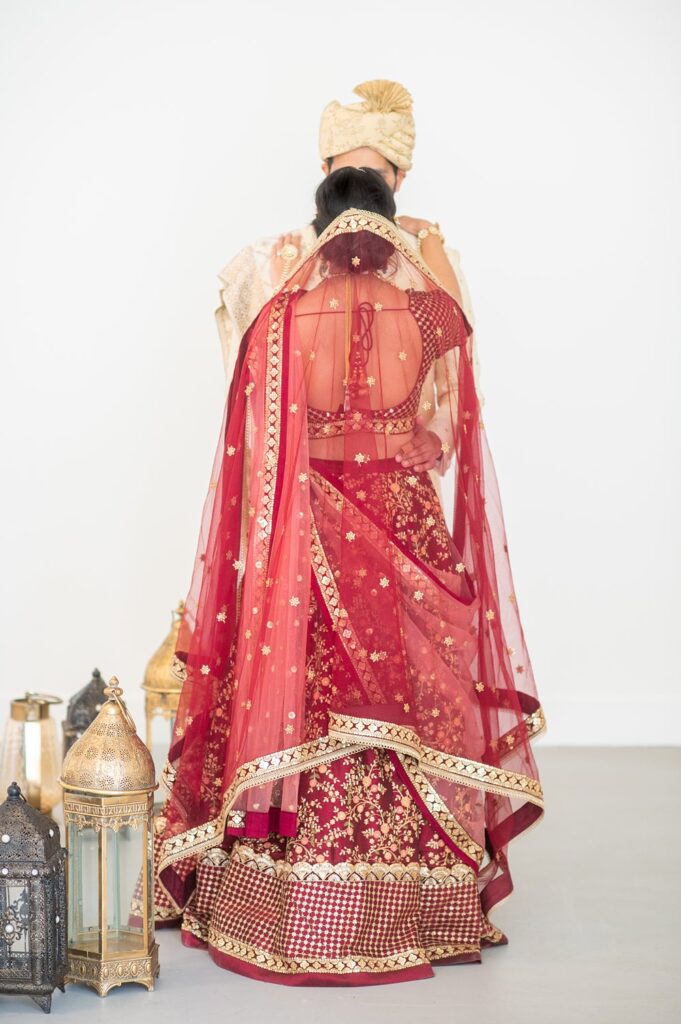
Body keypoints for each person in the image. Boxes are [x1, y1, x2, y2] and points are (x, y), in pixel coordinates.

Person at [151, 166, 546, 986]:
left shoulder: (284, 317)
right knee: (417, 697)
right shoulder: (432, 314)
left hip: (311, 525)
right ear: (391, 227)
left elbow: (259, 439)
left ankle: (288, 899)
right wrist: (413, 441)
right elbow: (447, 428)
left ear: (320, 232)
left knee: (306, 695)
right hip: (401, 517)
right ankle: (422, 903)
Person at [214, 78, 484, 508]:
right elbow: (246, 390)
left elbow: (463, 376)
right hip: (297, 495)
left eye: (375, 175)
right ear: (325, 174)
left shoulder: (433, 261)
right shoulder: (267, 260)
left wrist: (440, 438)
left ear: (398, 180)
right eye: (345, 174)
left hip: (400, 484)